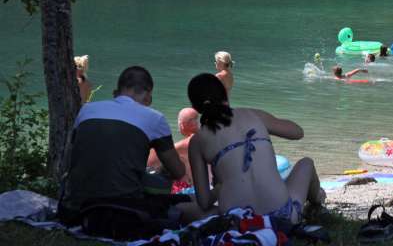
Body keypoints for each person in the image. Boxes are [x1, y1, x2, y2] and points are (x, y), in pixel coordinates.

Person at [58, 66, 198, 226]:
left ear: (117, 91)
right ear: (147, 94)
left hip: (71, 211)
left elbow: (75, 157)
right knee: (192, 203)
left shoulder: (86, 111)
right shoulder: (154, 118)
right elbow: (178, 172)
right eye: (150, 99)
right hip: (120, 213)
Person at [187, 73, 325, 222]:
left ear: (196, 107)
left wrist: (220, 187)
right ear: (225, 94)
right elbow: (298, 132)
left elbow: (204, 202)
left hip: (238, 224)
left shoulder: (197, 141)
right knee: (306, 163)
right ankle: (318, 199)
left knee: (186, 208)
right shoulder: (252, 115)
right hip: (283, 216)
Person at [148, 107, 200, 187]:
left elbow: (151, 161)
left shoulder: (184, 145)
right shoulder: (206, 139)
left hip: (193, 189)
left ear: (181, 125)